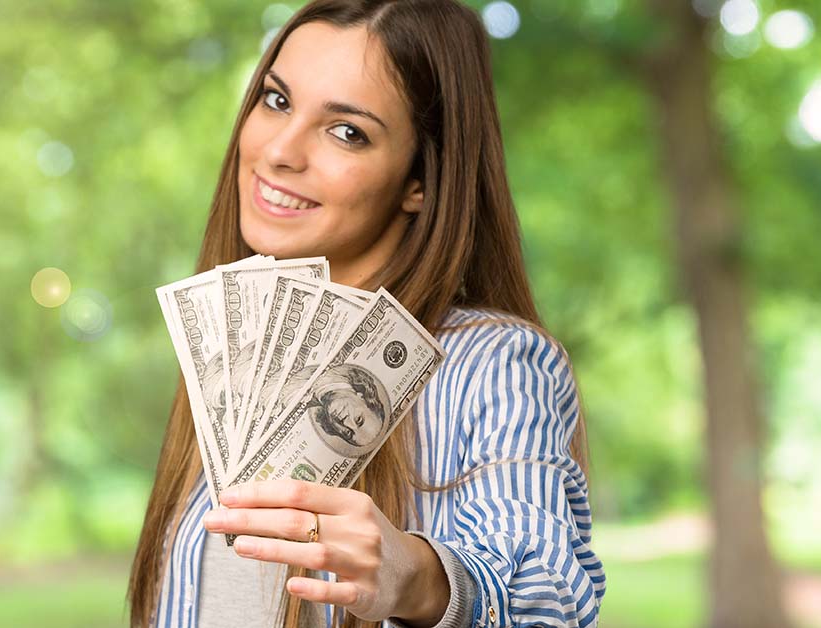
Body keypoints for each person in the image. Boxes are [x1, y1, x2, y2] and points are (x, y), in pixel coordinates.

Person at [128, 1, 606, 626]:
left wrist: (422, 581)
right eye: (276, 101)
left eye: (346, 131)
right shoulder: (234, 356)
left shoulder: (492, 362)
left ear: (421, 183)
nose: (280, 151)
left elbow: (547, 592)